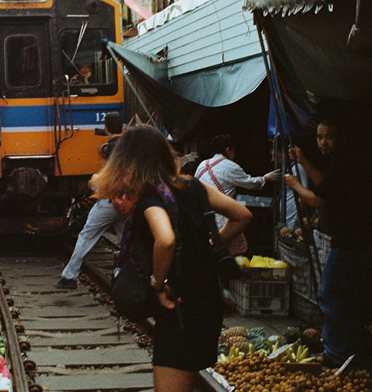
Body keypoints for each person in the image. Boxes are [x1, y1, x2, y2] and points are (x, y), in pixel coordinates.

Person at [97, 125, 252, 392]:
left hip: (180, 310)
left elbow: (165, 239)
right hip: (207, 305)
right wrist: (210, 245)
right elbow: (242, 216)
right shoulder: (194, 187)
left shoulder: (150, 199)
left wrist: (158, 283)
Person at [285, 116, 372, 368]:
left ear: (342, 138)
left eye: (329, 137)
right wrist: (303, 160)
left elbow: (317, 199)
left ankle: (336, 352)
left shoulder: (346, 162)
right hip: (355, 241)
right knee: (345, 297)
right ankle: (348, 351)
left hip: (352, 242)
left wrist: (294, 184)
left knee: (328, 293)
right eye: (319, 137)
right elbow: (325, 185)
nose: (323, 142)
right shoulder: (342, 163)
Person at [55, 112, 124, 290]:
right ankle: (127, 275)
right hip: (126, 202)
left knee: (86, 236)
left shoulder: (113, 147)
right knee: (126, 240)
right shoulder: (126, 145)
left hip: (110, 202)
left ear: (106, 127)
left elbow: (112, 175)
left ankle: (69, 277)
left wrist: (96, 180)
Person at [194, 134, 280, 255]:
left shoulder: (202, 165)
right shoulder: (230, 166)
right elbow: (251, 183)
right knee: (224, 253)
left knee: (208, 251)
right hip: (223, 221)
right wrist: (266, 178)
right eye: (233, 151)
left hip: (203, 218)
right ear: (228, 150)